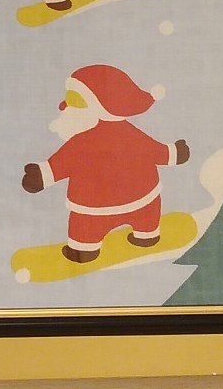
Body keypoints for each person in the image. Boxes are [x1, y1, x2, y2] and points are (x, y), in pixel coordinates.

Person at [22, 64, 191, 264]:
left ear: (100, 107)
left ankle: (84, 249)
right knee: (145, 215)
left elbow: (60, 165)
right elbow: (157, 152)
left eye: (75, 100)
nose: (63, 106)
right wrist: (175, 153)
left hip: (94, 208)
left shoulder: (80, 143)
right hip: (141, 199)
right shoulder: (129, 134)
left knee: (86, 228)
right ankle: (146, 236)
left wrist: (41, 176)